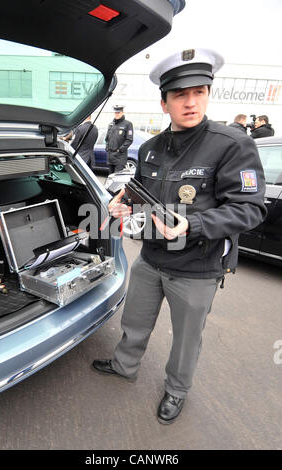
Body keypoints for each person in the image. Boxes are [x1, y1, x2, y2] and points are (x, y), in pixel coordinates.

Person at [92, 48, 267, 425]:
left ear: (208, 93)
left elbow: (251, 209)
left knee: (187, 340)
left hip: (197, 267)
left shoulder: (231, 145)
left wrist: (194, 224)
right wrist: (123, 205)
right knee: (135, 321)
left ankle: (176, 389)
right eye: (180, 95)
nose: (191, 102)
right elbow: (140, 192)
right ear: (164, 102)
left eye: (199, 92)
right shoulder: (153, 147)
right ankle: (125, 365)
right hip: (152, 259)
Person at [105, 105, 133, 174]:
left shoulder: (128, 124)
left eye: (118, 113)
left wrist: (120, 150)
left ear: (122, 113)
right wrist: (107, 147)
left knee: (117, 178)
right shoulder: (111, 124)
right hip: (110, 156)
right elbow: (107, 138)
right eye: (116, 113)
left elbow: (129, 140)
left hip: (120, 157)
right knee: (110, 177)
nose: (117, 114)